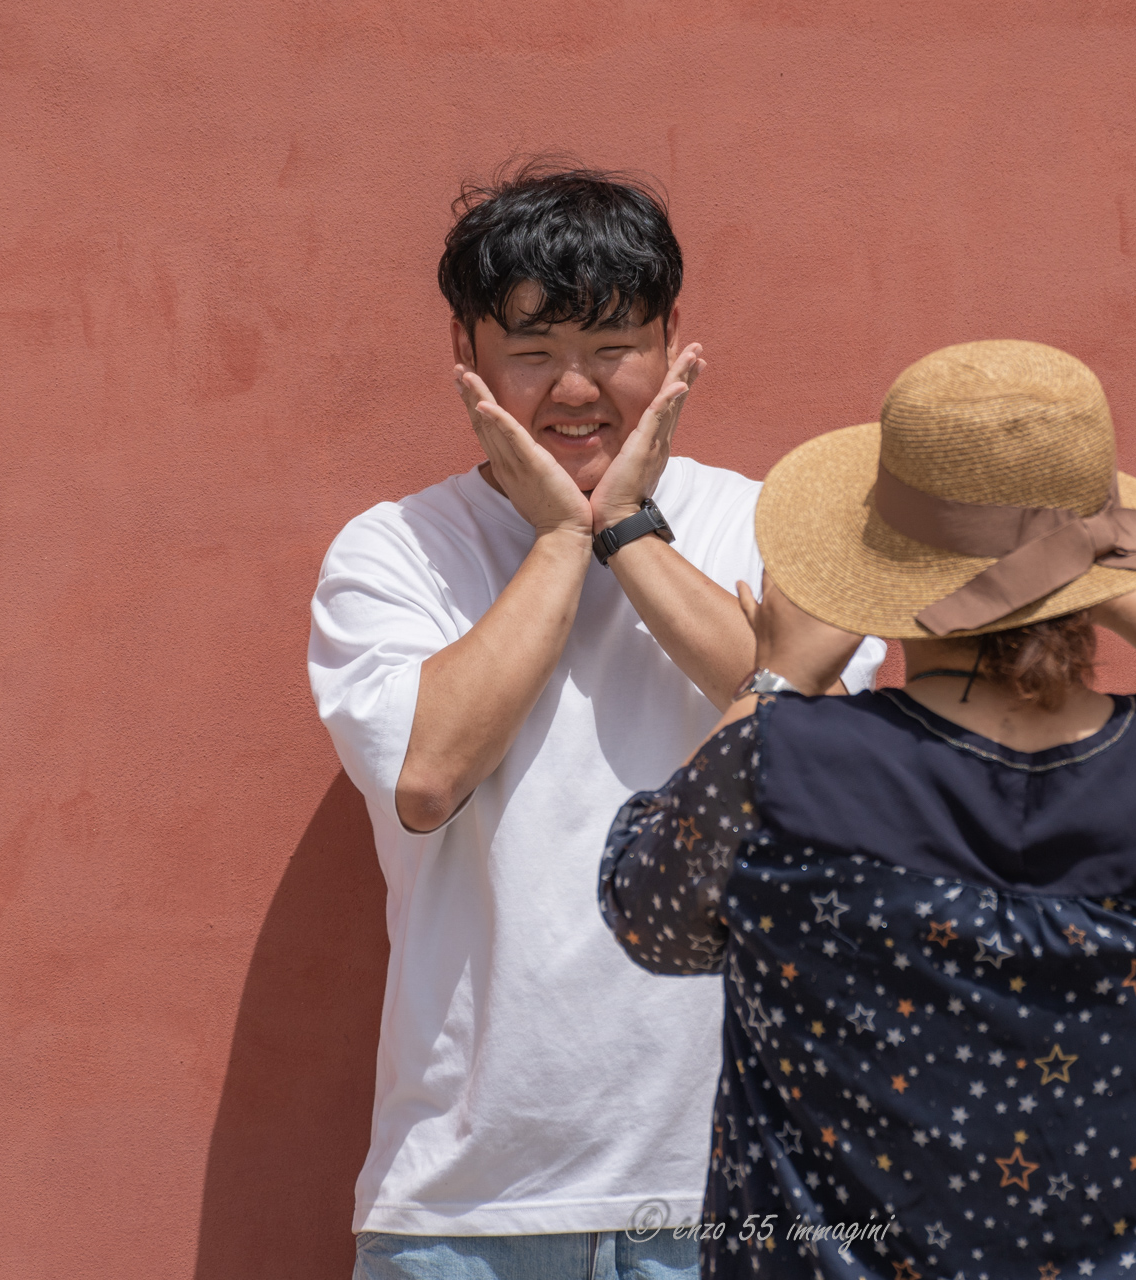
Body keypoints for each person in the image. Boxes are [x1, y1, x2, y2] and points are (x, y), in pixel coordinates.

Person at [600, 340, 1136, 1279]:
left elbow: (644, 907)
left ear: (876, 570)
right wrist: (1123, 582)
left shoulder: (781, 770)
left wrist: (772, 680)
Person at [307, 162, 886, 1280]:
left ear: (673, 342)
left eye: (612, 343)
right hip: (467, 1208)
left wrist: (629, 528)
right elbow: (427, 775)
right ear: (469, 361)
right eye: (532, 353)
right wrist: (563, 541)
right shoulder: (394, 550)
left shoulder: (771, 524)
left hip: (738, 1189)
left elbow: (825, 753)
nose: (575, 389)